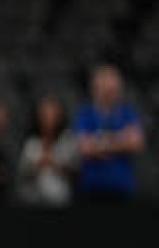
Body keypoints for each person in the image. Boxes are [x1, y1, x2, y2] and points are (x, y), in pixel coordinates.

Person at [73, 62, 145, 202]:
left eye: (113, 89)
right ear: (95, 89)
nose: (110, 93)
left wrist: (98, 142)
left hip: (121, 187)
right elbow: (84, 147)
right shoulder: (85, 113)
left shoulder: (127, 112)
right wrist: (120, 139)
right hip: (91, 188)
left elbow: (136, 143)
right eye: (106, 88)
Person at [17, 94, 78, 206]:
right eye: (45, 115)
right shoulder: (31, 143)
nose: (49, 119)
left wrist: (54, 163)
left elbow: (75, 172)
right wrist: (38, 165)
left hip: (62, 200)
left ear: (59, 116)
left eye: (52, 115)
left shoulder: (67, 140)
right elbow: (23, 174)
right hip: (35, 201)